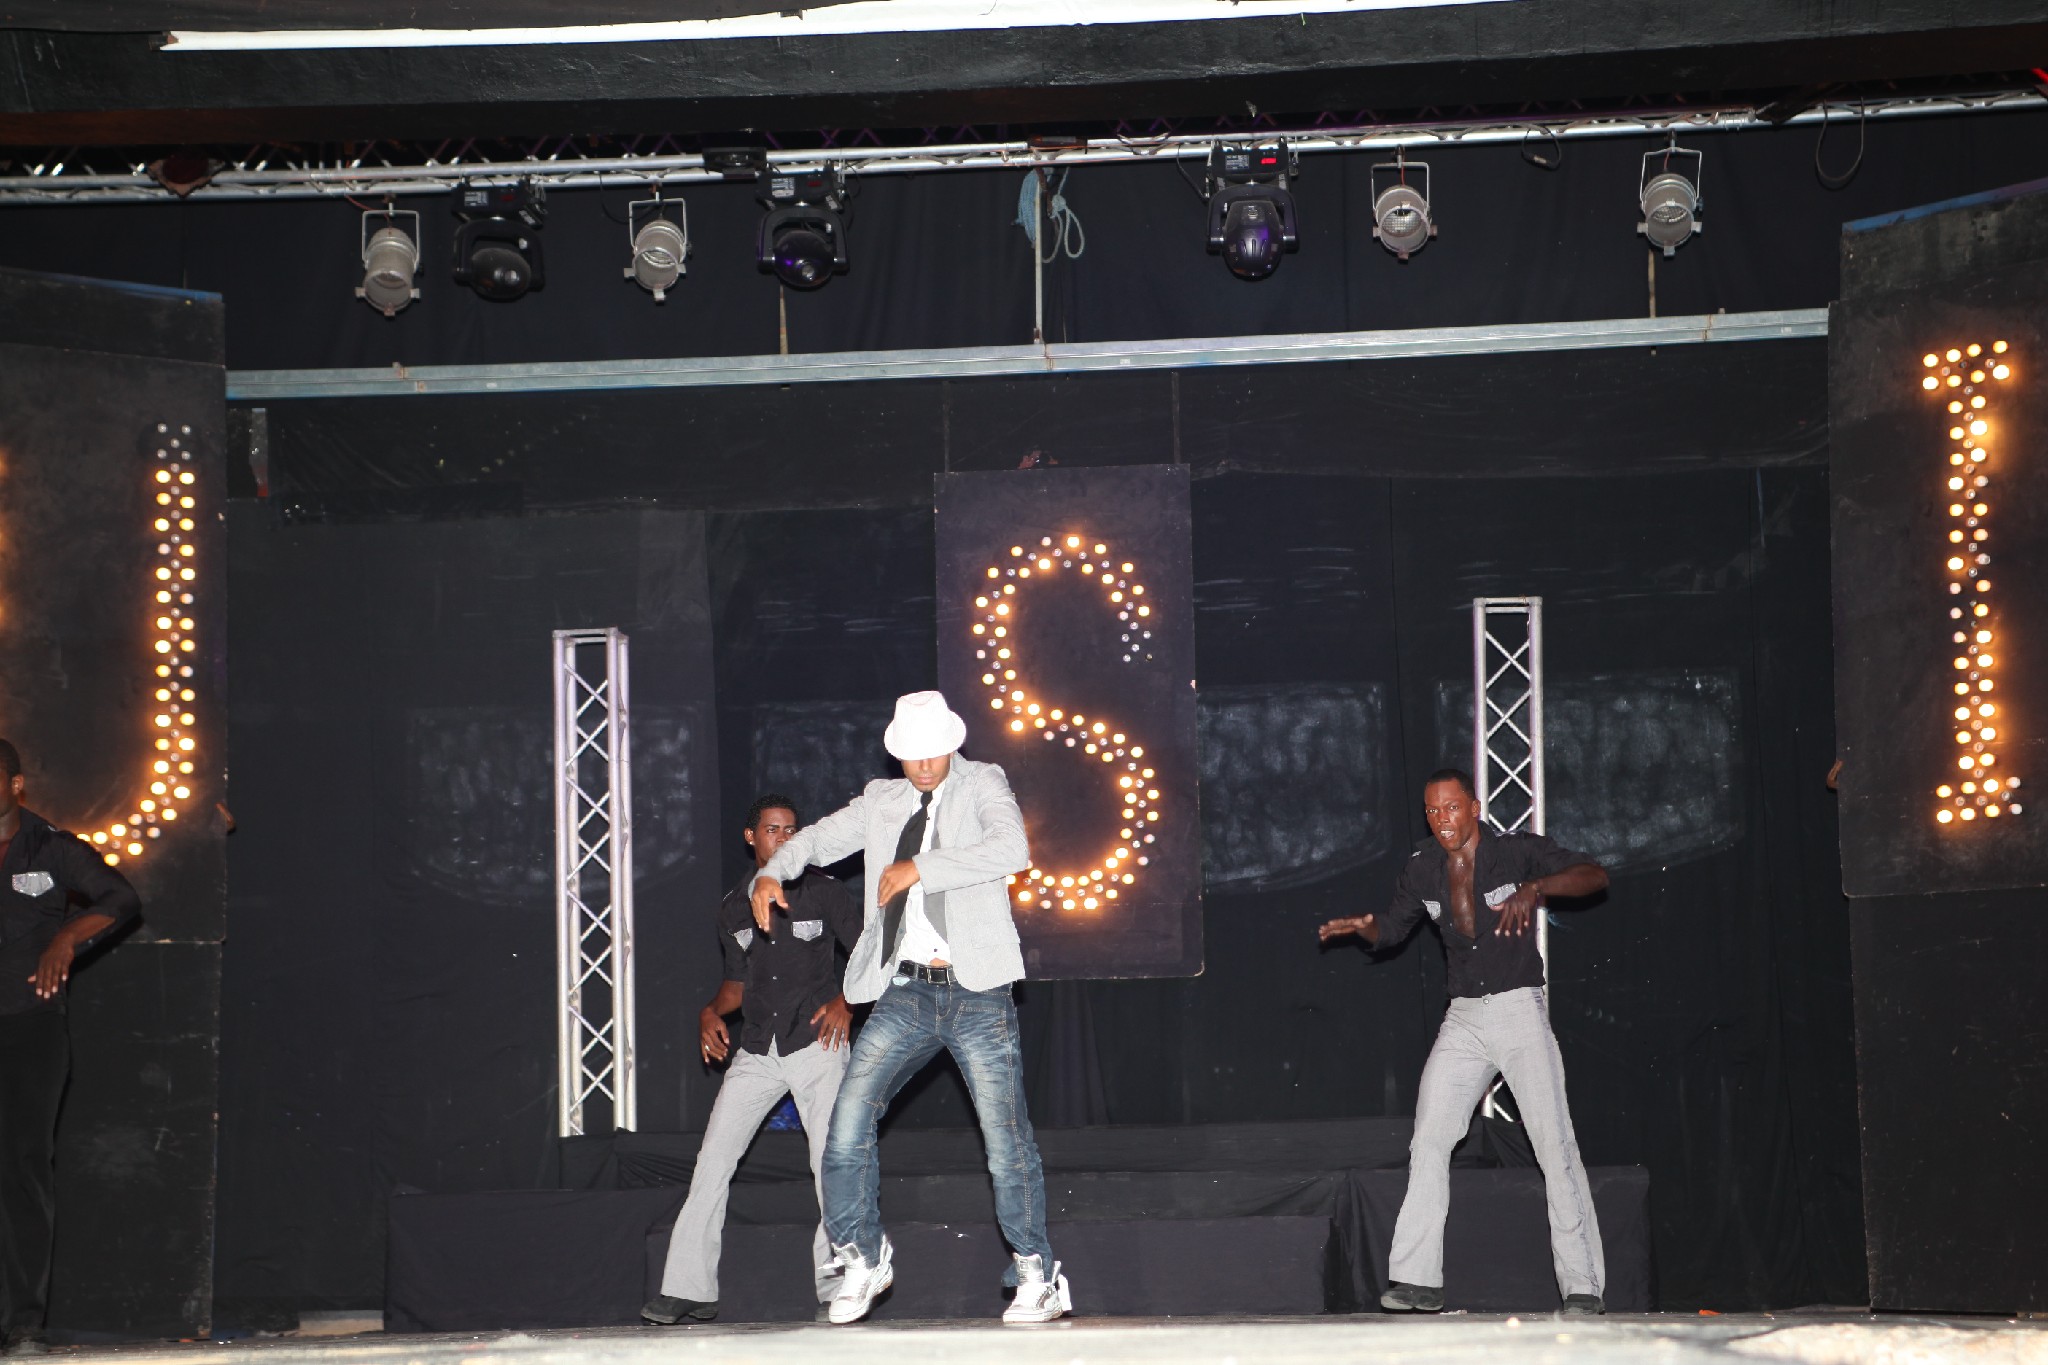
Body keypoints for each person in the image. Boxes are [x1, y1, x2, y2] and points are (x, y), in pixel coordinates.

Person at [752, 690, 1068, 1326]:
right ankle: (862, 1257)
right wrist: (772, 872)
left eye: (934, 754)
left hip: (977, 992)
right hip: (905, 992)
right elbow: (816, 839)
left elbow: (1012, 849)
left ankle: (1038, 1273)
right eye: (912, 756)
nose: (924, 767)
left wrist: (920, 867)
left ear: (951, 744)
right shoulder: (882, 800)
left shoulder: (983, 784)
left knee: (1005, 1139)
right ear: (897, 754)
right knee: (845, 1125)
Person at [1319, 767, 1610, 1317]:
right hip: (1464, 1019)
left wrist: (1536, 887)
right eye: (1432, 810)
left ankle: (1583, 1285)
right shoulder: (1422, 867)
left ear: (1474, 808)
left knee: (1553, 1144)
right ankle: (1418, 1280)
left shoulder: (1515, 853)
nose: (1442, 819)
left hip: (1518, 1009)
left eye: (1451, 807)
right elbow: (1392, 930)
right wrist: (1366, 929)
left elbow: (1595, 876)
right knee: (1429, 1138)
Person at [643, 794, 861, 1325]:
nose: (783, 839)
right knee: (712, 1164)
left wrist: (847, 1001)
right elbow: (736, 986)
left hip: (818, 1044)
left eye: (791, 830)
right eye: (772, 829)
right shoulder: (733, 906)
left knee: (829, 1166)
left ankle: (838, 1288)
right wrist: (709, 1012)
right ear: (751, 837)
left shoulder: (824, 891)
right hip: (758, 1050)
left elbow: (870, 953)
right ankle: (690, 1289)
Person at [0, 740, 141, 1356]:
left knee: (21, 1171)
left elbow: (121, 899)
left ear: (15, 785)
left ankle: (22, 1323)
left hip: (26, 1027)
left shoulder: (50, 846)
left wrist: (65, 937)